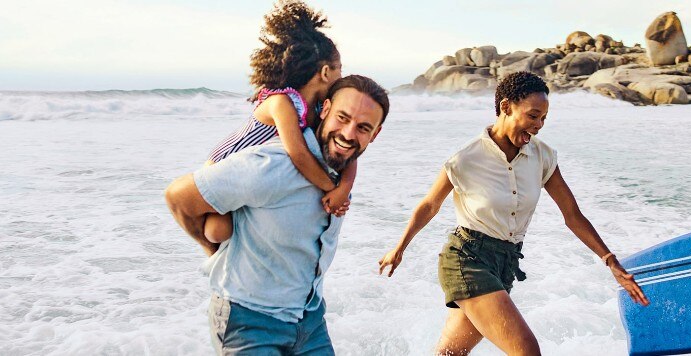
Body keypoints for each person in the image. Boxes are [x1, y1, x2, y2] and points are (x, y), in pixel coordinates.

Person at [376, 72, 649, 356]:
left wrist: (610, 261)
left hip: (504, 265)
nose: (538, 126)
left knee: (449, 355)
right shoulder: (466, 158)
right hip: (467, 260)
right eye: (533, 116)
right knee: (527, 351)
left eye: (543, 118)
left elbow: (572, 215)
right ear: (506, 106)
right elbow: (430, 205)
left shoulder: (542, 156)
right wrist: (399, 248)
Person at [163, 75, 389, 355]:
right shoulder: (273, 165)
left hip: (309, 320)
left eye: (363, 127)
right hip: (250, 322)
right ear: (326, 108)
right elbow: (178, 197)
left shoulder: (341, 170)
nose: (348, 134)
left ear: (375, 134)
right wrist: (213, 251)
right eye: (342, 118)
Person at [202, 0, 354, 244]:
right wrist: (330, 188)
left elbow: (350, 154)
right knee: (217, 233)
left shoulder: (318, 108)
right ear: (326, 73)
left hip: (255, 174)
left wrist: (343, 189)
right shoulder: (281, 102)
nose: (341, 77)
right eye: (340, 70)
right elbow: (298, 154)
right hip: (222, 166)